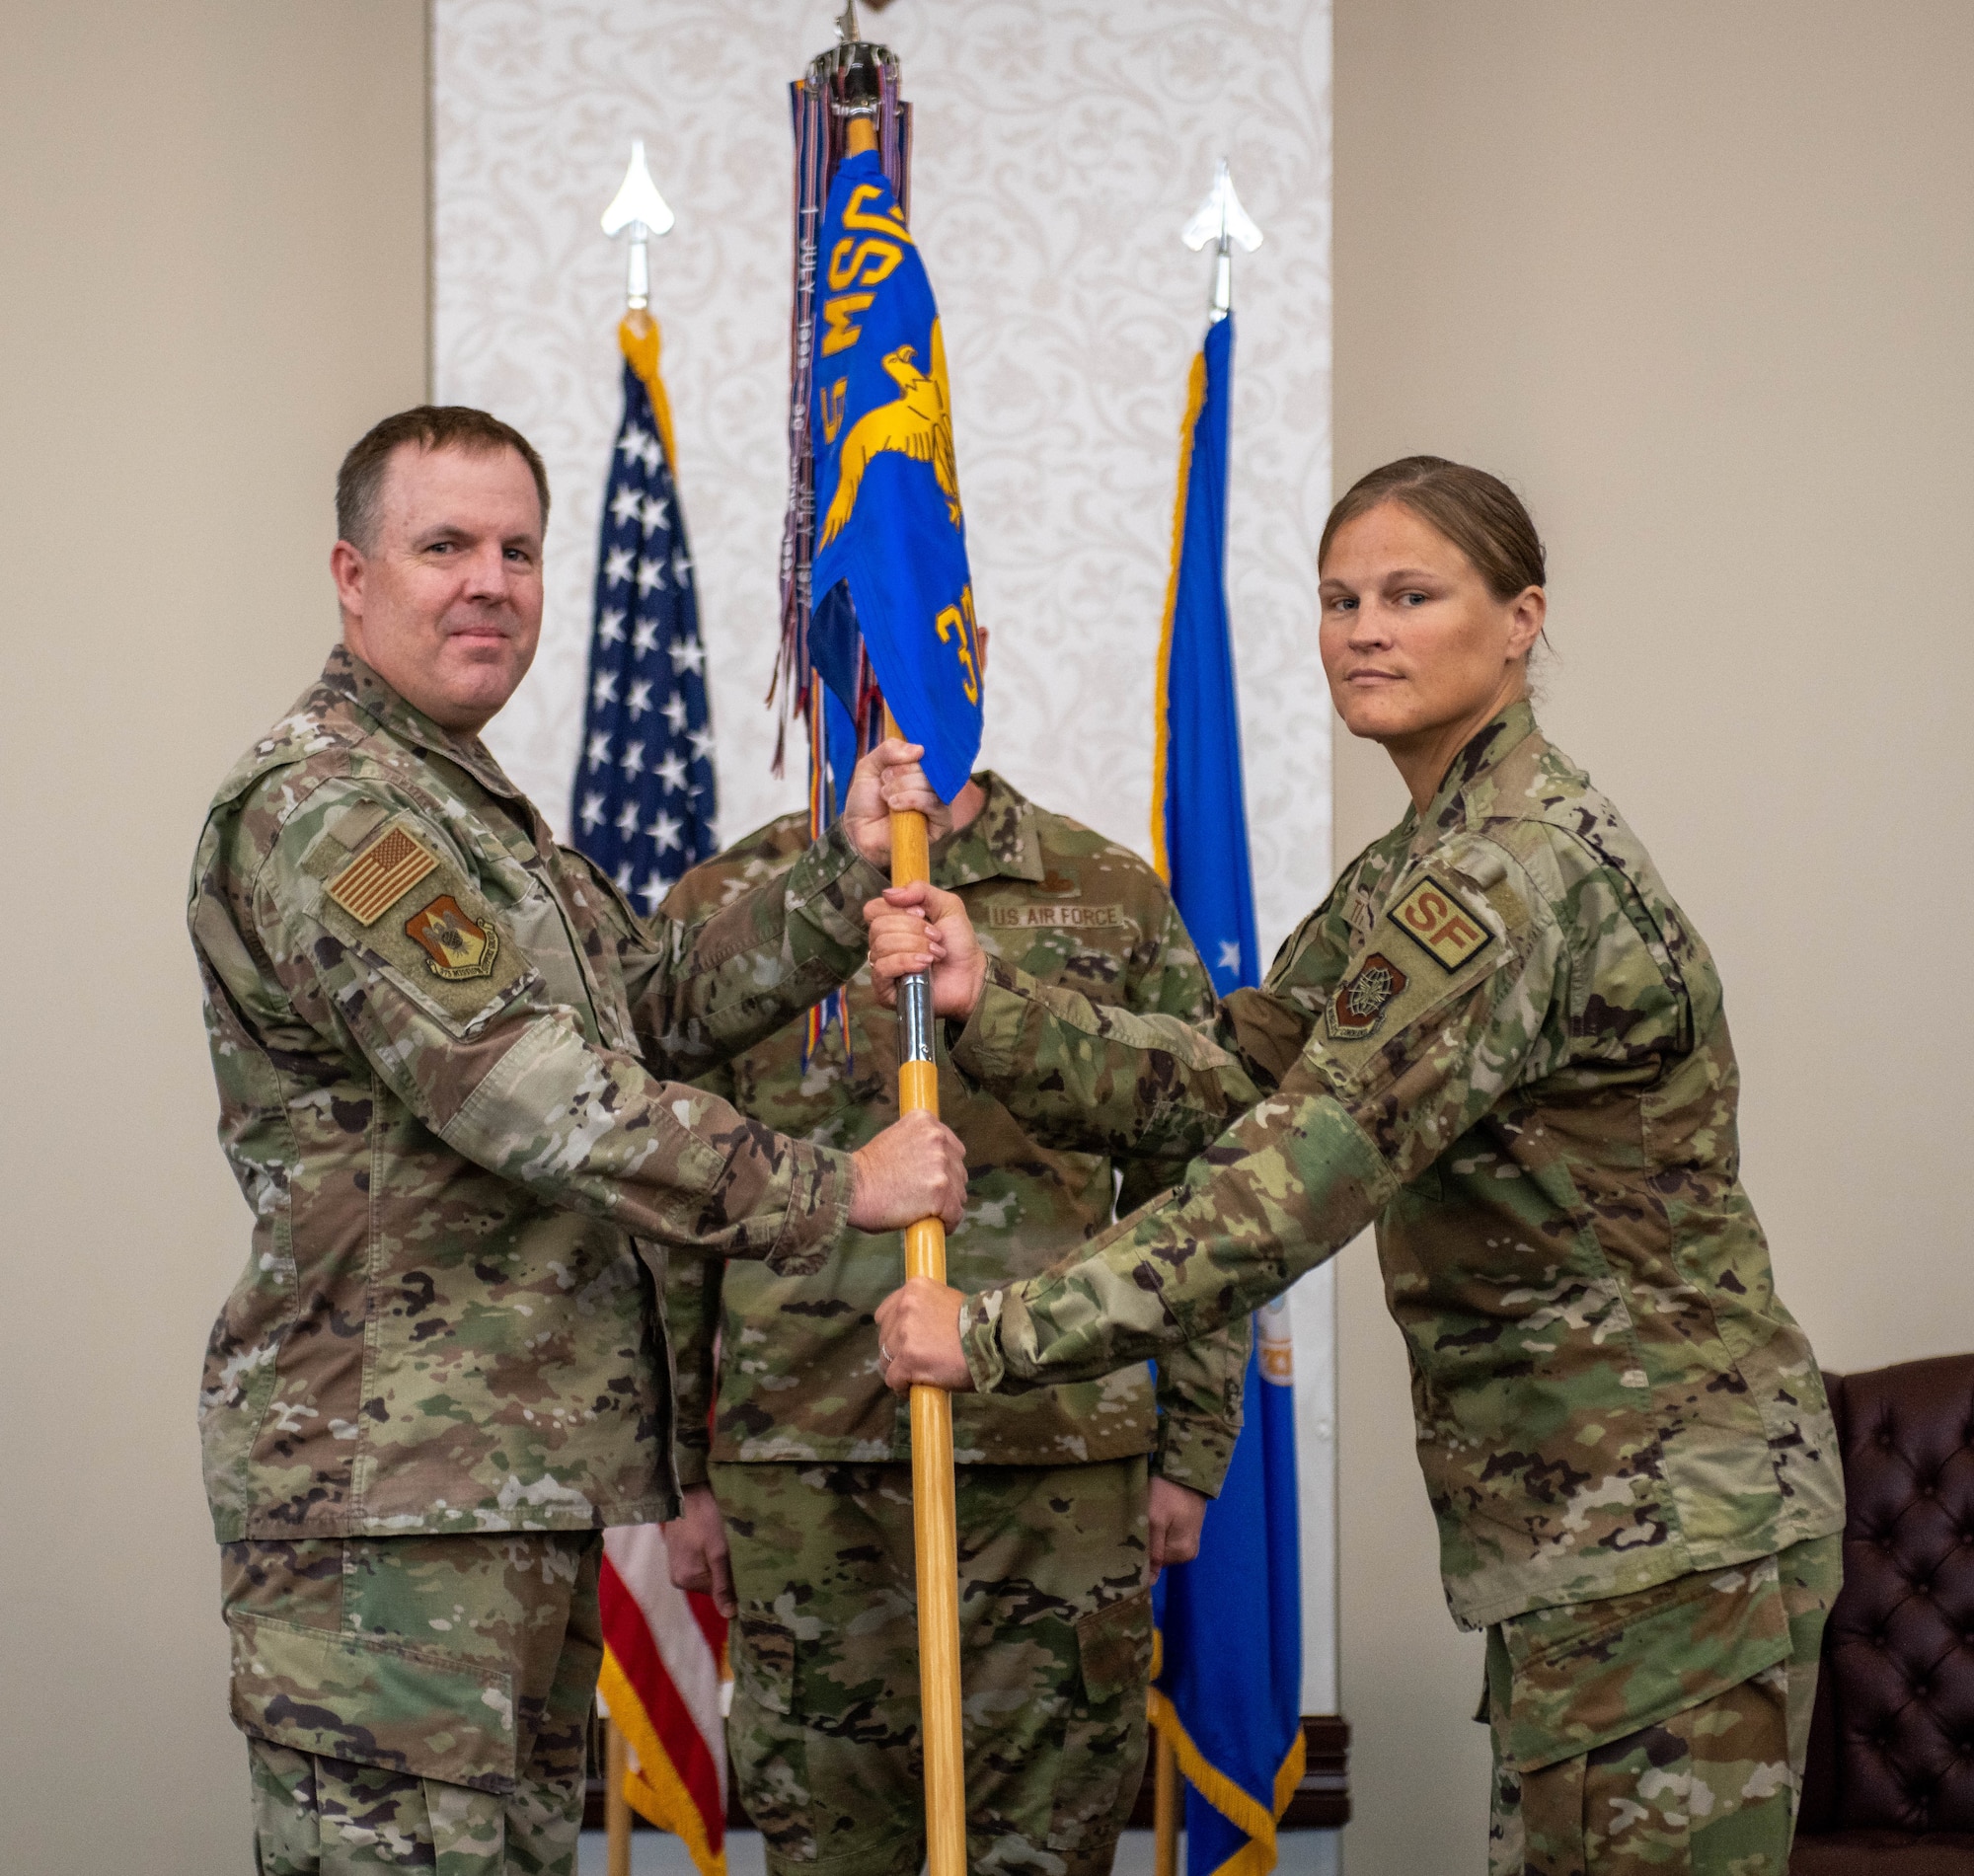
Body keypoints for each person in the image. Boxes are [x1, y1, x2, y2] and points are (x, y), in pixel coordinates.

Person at [868, 457, 1847, 1876]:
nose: (1365, 629)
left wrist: (1006, 1333)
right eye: (1340, 599)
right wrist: (986, 998)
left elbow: (1302, 1173)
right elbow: (1231, 1077)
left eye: (1412, 594)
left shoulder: (1505, 875)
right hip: (1596, 1529)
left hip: (1665, 1524)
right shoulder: (1425, 859)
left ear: (1521, 620)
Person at [188, 405, 965, 1876]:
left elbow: (648, 1005)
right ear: (352, 576)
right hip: (394, 1519)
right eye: (444, 547)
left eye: (519, 550)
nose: (490, 581)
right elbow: (527, 1085)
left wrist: (834, 877)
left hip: (497, 1492)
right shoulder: (330, 806)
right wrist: (832, 1187)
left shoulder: (473, 811)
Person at [656, 713, 1249, 1876]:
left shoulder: (1107, 890)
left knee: (1049, 1839)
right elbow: (672, 1207)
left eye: (929, 649)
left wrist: (1196, 1441)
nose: (899, 698)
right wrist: (678, 1469)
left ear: (969, 655)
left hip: (1056, 1464)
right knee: (831, 1848)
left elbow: (1196, 1169)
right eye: (865, 660)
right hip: (806, 1469)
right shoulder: (732, 905)